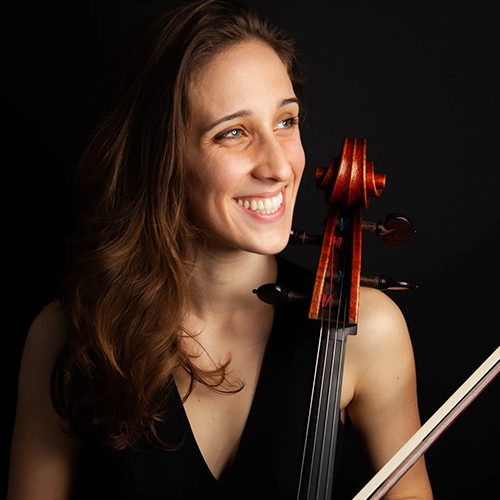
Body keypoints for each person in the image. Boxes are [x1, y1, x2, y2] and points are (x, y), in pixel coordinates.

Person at [8, 1, 433, 499]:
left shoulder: (368, 330)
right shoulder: (68, 336)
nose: (278, 166)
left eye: (286, 121)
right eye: (233, 132)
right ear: (161, 157)